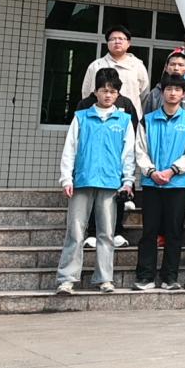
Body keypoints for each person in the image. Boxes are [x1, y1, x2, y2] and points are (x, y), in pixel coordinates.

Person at [56, 68, 135, 295]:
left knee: (106, 233)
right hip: (82, 180)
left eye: (112, 91)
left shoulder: (124, 120)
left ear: (118, 94)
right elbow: (70, 149)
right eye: (103, 90)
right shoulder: (81, 117)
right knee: (75, 231)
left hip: (110, 182)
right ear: (95, 92)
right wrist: (66, 178)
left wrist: (128, 181)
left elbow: (128, 154)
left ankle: (105, 278)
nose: (108, 95)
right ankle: (67, 279)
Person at [132, 74, 185, 292]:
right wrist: (152, 172)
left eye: (177, 90)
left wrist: (172, 171)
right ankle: (145, 276)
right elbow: (140, 149)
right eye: (169, 89)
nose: (172, 93)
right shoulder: (148, 120)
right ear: (161, 93)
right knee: (149, 232)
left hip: (177, 184)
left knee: (174, 231)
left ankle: (170, 277)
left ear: (183, 94)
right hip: (152, 184)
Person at [81, 25, 151, 120]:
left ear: (128, 43)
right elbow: (86, 93)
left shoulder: (137, 66)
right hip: (99, 119)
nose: (117, 41)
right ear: (107, 43)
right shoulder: (96, 66)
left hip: (130, 118)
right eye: (113, 39)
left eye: (121, 39)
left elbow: (144, 95)